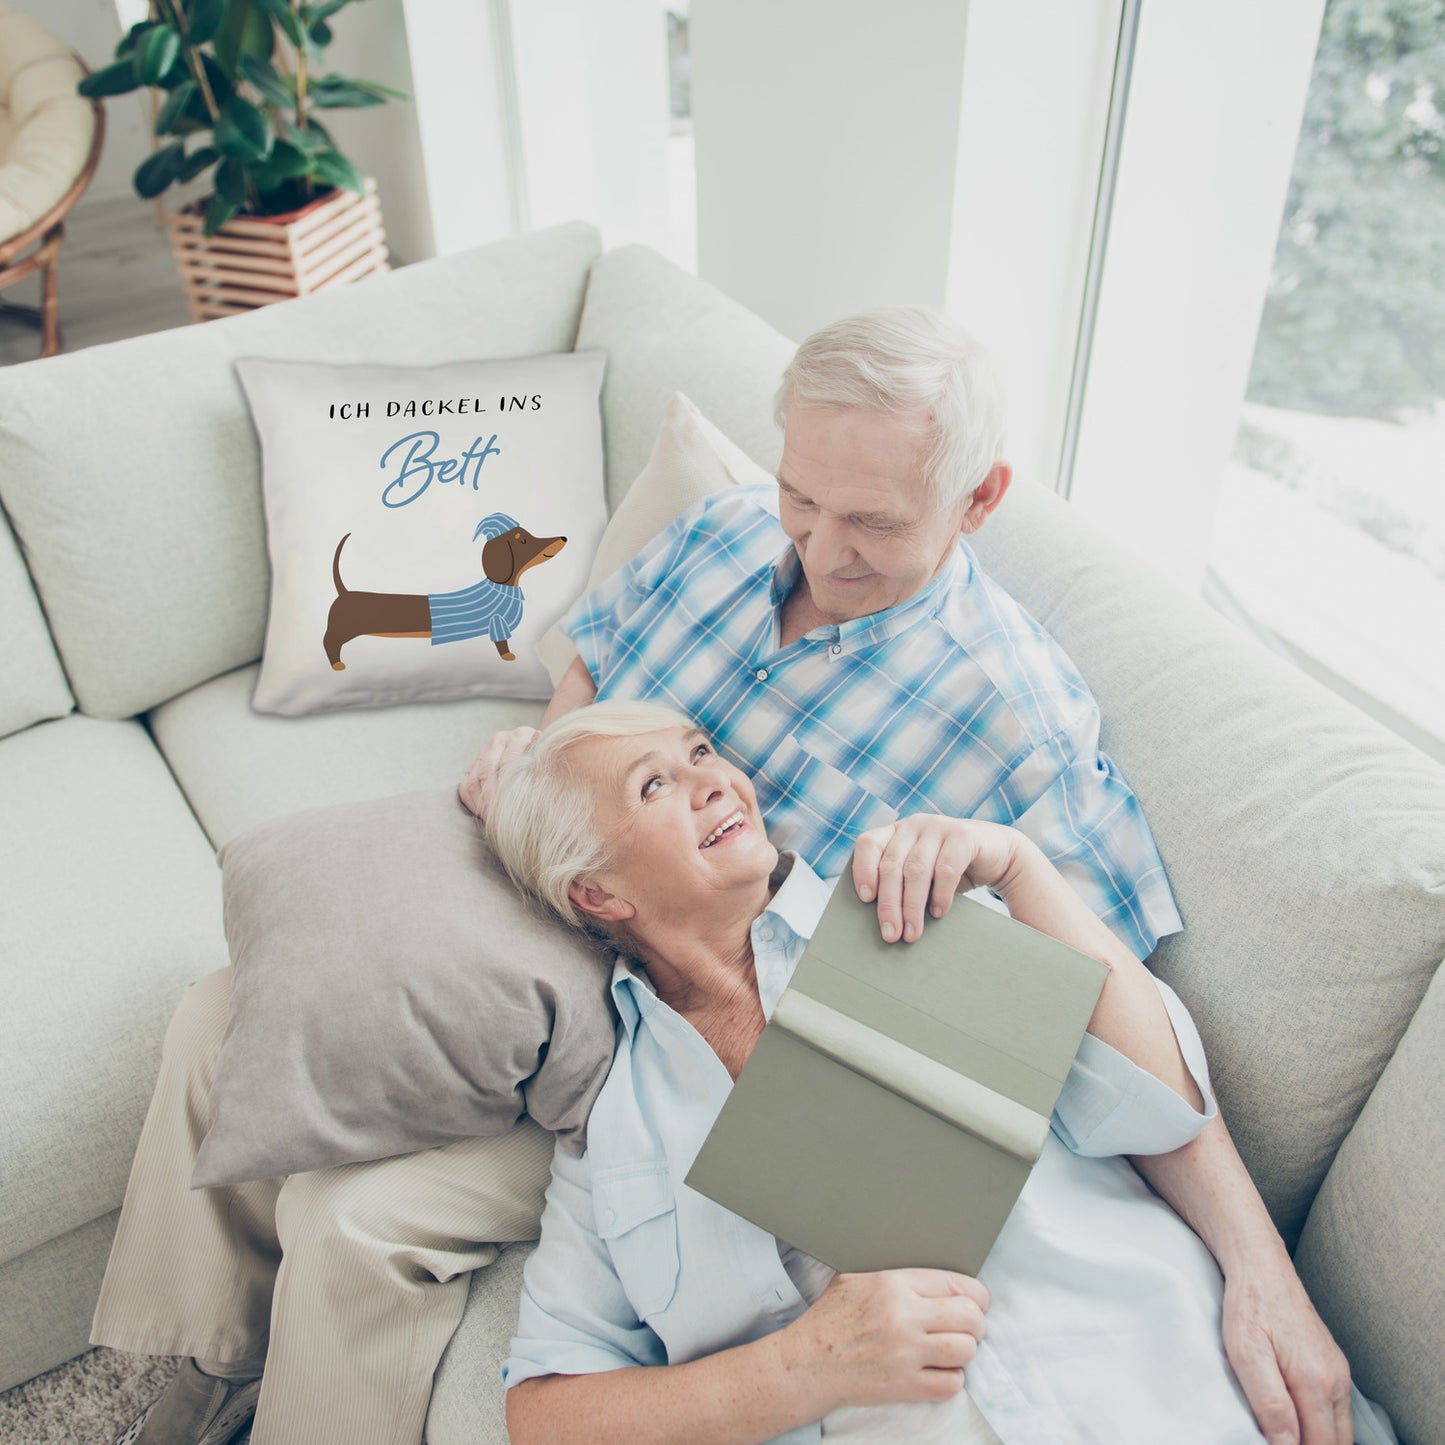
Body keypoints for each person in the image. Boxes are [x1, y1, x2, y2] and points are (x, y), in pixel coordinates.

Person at [94, 309, 1348, 1445]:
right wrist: (544, 764)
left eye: (871, 520)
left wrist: (1260, 1267)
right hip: (578, 886)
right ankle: (192, 1364)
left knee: (355, 1218)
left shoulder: (1016, 724)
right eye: (804, 495)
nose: (818, 545)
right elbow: (591, 663)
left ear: (976, 501)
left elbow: (1103, 1021)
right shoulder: (725, 532)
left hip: (690, 1013)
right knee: (229, 1007)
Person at [486, 701, 1385, 1445]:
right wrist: (803, 1367)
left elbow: (1158, 1106)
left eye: (700, 751)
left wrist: (1021, 869)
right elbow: (545, 1413)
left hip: (1172, 1393)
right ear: (597, 893)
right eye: (655, 784)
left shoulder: (909, 907)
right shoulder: (615, 1132)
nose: (714, 779)